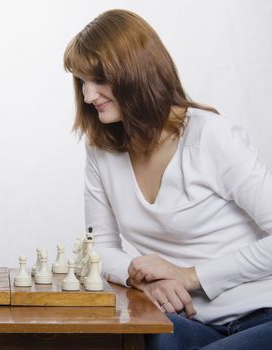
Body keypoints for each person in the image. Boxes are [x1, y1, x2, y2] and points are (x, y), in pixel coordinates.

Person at [64, 9, 272, 350]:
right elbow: (99, 246)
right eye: (81, 82)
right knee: (146, 338)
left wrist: (189, 276)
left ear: (136, 72)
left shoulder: (211, 137)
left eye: (98, 80)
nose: (88, 96)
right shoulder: (101, 149)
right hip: (190, 320)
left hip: (262, 313)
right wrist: (139, 276)